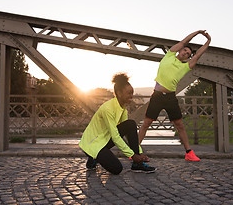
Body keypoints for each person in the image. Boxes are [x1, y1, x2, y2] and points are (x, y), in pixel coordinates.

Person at [138, 30, 211, 161]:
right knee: (146, 123)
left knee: (180, 125)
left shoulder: (186, 66)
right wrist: (197, 33)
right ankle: (134, 151)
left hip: (170, 98)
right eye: (184, 51)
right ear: (179, 50)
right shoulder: (169, 55)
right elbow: (184, 41)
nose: (185, 53)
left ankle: (189, 153)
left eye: (188, 54)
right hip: (157, 96)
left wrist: (208, 41)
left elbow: (198, 55)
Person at [79, 73, 156, 174]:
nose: (131, 96)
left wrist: (139, 154)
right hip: (93, 143)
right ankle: (93, 157)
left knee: (131, 124)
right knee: (117, 169)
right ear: (119, 93)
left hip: (105, 139)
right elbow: (115, 136)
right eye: (129, 93)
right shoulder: (108, 108)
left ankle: (137, 164)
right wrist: (132, 155)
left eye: (132, 93)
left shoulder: (123, 108)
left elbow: (127, 133)